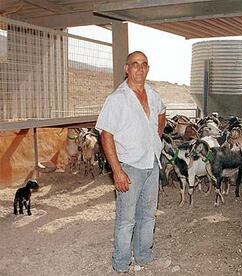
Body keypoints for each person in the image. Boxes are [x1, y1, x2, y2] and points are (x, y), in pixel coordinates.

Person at [95, 51, 167, 273]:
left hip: (151, 163)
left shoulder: (153, 94)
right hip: (129, 167)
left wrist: (156, 137)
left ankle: (144, 256)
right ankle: (121, 264)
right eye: (135, 64)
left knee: (147, 215)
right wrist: (117, 171)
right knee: (126, 220)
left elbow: (162, 113)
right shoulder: (116, 99)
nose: (140, 68)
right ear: (126, 69)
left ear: (148, 68)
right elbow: (105, 135)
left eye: (144, 64)